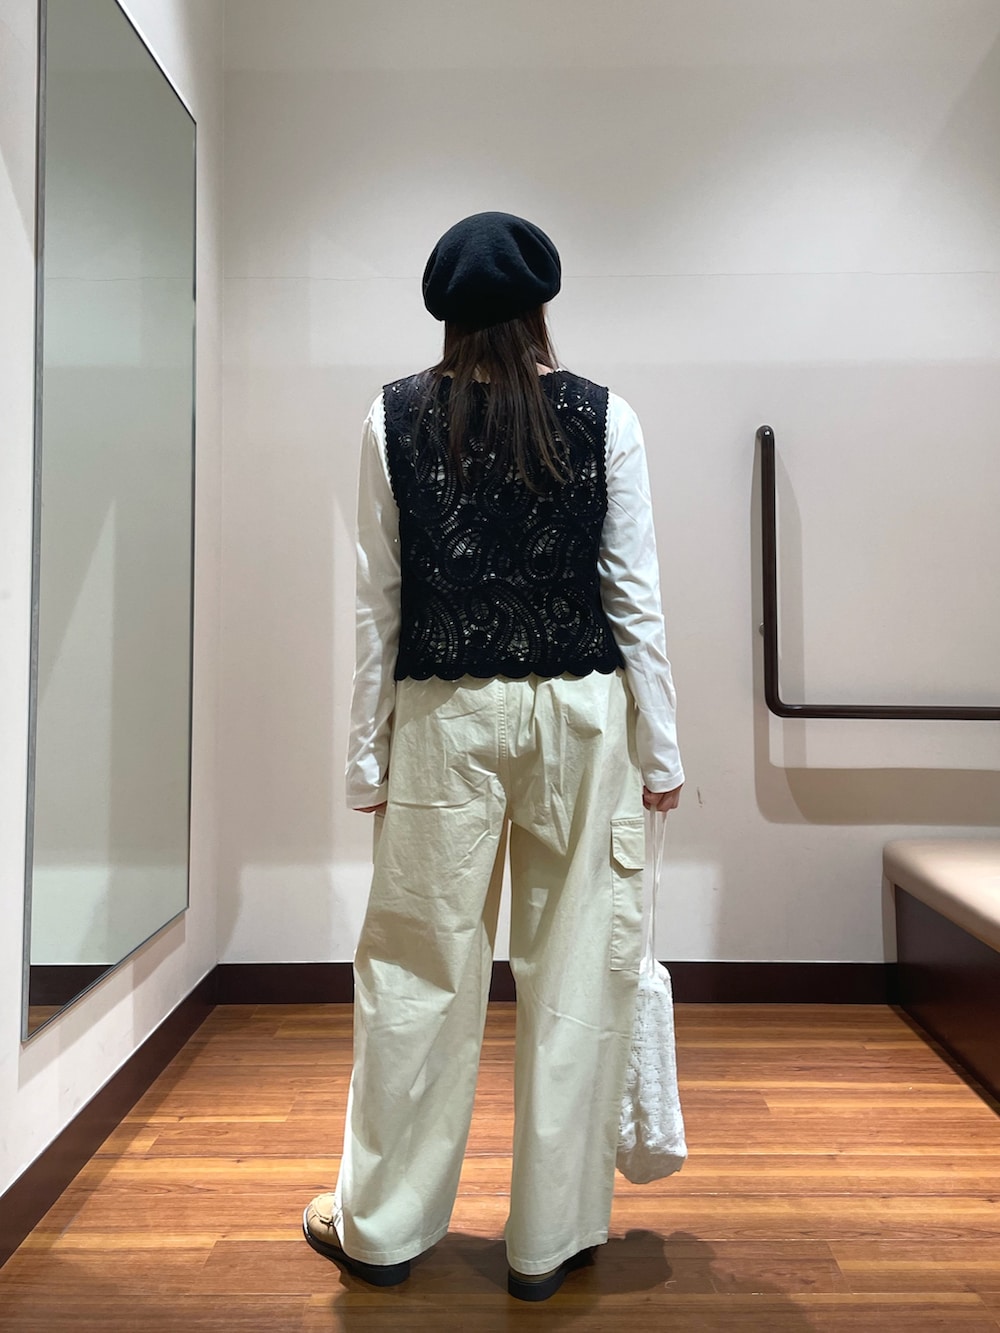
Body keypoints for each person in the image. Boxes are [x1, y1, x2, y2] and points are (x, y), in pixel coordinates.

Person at [303, 211, 684, 1302]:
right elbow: (634, 599)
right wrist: (662, 749)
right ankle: (546, 1241)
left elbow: (377, 604)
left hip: (444, 719)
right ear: (539, 305)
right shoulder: (606, 416)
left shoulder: (391, 416)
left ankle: (380, 1230)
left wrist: (366, 762)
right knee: (577, 975)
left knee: (415, 972)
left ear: (446, 311)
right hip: (581, 717)